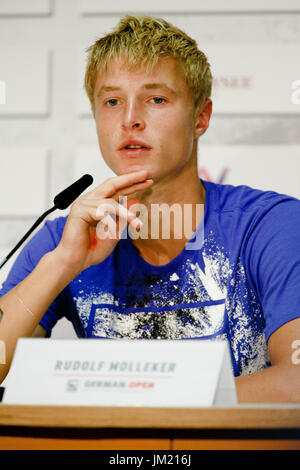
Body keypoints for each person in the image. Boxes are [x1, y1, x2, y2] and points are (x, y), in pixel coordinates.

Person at [0, 15, 300, 403]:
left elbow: (296, 382)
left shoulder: (269, 225)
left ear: (201, 117)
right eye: (112, 102)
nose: (130, 120)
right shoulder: (62, 241)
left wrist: (143, 400)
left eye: (156, 99)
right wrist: (61, 265)